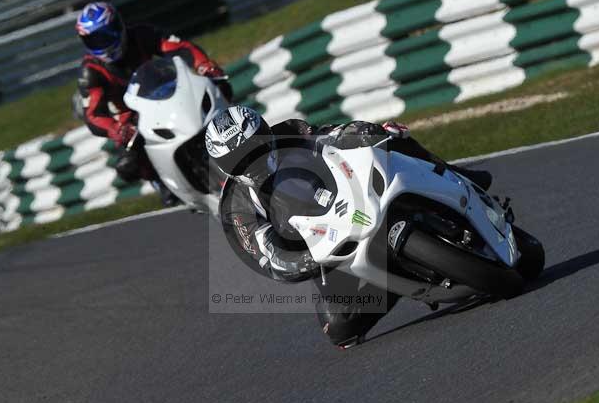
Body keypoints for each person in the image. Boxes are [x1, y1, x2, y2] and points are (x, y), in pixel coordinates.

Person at [204, 106, 493, 348]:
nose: (251, 159)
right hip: (322, 243)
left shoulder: (290, 132)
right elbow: (264, 252)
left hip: (350, 193)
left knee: (392, 137)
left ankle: (457, 176)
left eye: (254, 145)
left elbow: (332, 134)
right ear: (224, 165)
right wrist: (303, 260)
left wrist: (365, 132)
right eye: (236, 158)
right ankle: (391, 284)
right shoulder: (236, 207)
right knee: (339, 327)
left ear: (265, 132)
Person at [75, 1, 231, 206]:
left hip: (167, 91)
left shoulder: (142, 34)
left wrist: (205, 67)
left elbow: (182, 47)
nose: (103, 44)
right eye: (95, 40)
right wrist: (117, 130)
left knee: (220, 89)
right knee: (128, 165)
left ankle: (237, 140)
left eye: (106, 36)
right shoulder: (91, 71)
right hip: (130, 118)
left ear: (119, 26)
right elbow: (93, 114)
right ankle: (161, 181)